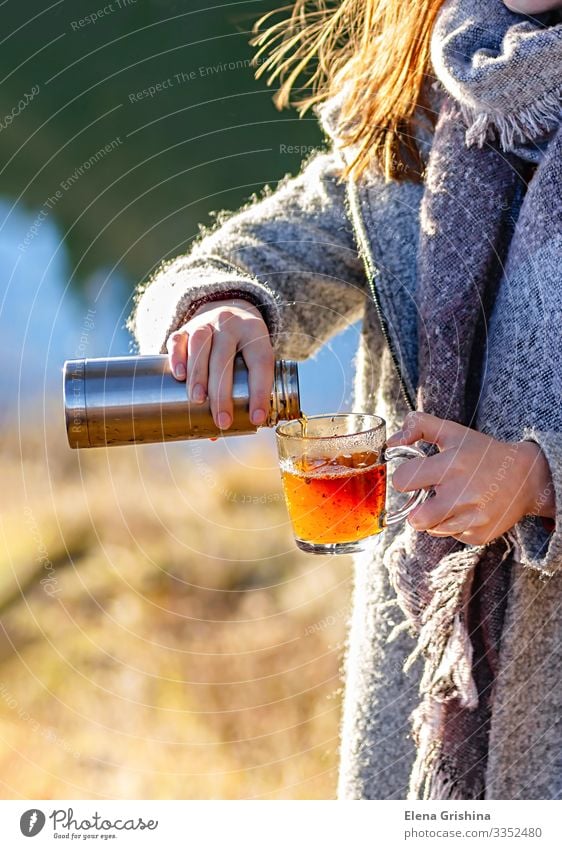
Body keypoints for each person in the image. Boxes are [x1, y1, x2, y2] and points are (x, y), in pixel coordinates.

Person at [129, 0, 562, 799]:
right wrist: (222, 305)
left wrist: (541, 479)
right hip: (412, 688)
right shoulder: (433, 97)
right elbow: (266, 249)